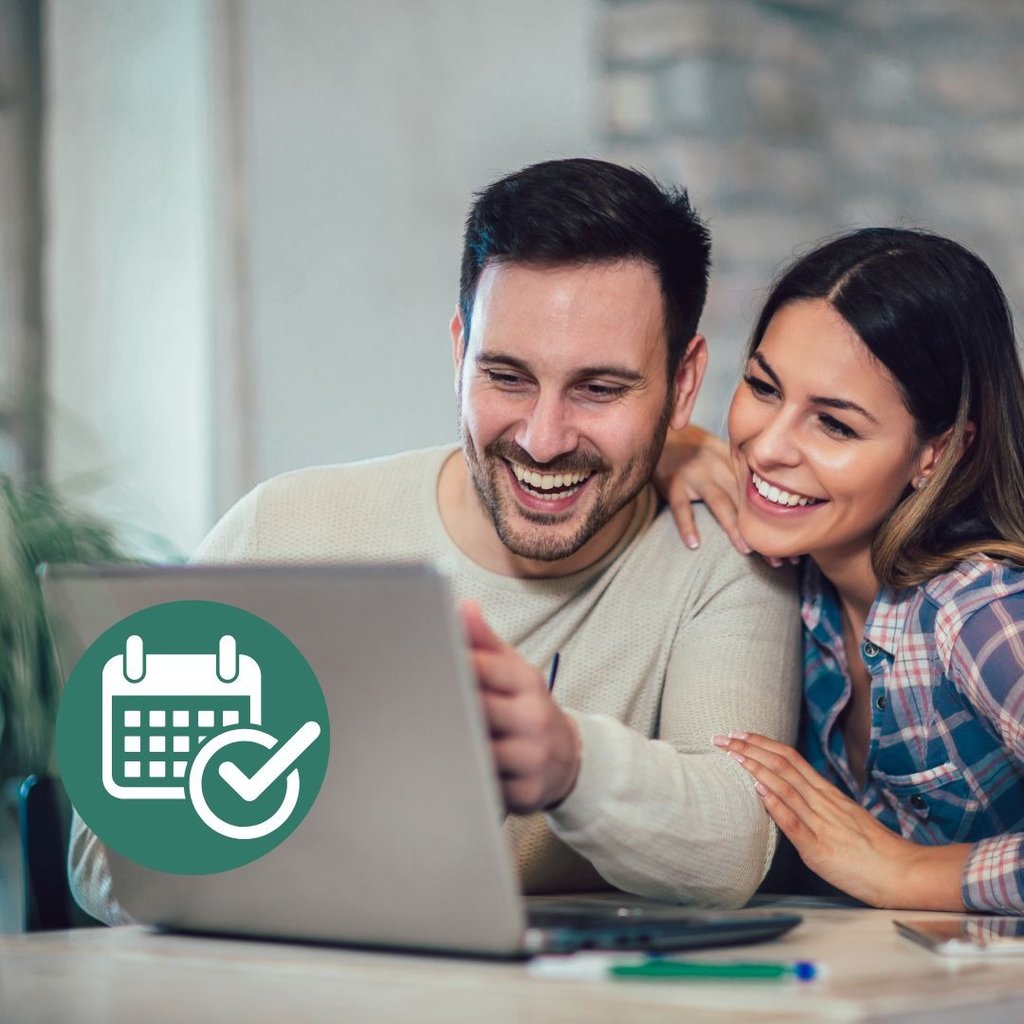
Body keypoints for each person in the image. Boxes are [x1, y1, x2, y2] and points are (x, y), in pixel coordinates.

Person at [69, 158, 801, 924]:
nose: (543, 440)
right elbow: (104, 852)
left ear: (683, 385)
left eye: (600, 389)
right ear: (459, 353)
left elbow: (731, 845)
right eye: (507, 377)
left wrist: (569, 765)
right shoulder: (285, 529)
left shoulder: (723, 552)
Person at [661, 227, 1024, 914]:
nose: (768, 448)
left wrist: (910, 874)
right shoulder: (797, 572)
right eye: (763, 388)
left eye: (834, 426)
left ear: (936, 452)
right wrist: (664, 449)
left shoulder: (978, 614)